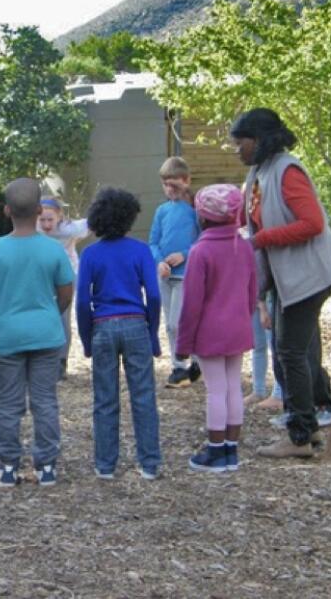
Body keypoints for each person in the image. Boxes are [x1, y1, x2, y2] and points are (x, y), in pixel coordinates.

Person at [232, 108, 331, 459]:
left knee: (289, 351)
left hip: (310, 275)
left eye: (242, 143)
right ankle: (308, 425)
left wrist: (263, 239)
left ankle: (299, 436)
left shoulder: (287, 170)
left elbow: (312, 223)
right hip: (290, 277)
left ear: (261, 140)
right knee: (293, 350)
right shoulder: (260, 170)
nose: (238, 150)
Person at [0, 178, 74, 487]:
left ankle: (7, 465)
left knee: (8, 403)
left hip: (7, 334)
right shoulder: (53, 250)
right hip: (46, 333)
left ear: (6, 210)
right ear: (38, 210)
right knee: (45, 401)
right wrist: (47, 314)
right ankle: (46, 466)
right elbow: (66, 294)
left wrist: (2, 317)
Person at [76, 188, 162, 480]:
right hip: (136, 324)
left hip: (102, 326)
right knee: (143, 396)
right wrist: (152, 333)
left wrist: (87, 340)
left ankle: (105, 465)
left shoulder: (90, 254)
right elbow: (153, 294)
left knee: (104, 398)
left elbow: (81, 302)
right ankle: (149, 463)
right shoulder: (140, 250)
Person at [176, 184, 257, 472]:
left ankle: (215, 450)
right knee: (233, 385)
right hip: (238, 327)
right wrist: (245, 320)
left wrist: (183, 345)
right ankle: (231, 450)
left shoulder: (201, 251)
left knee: (215, 390)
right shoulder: (244, 246)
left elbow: (191, 304)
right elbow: (252, 292)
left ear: (202, 215)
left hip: (210, 332)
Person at [149, 157, 202, 388]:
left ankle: (191, 362)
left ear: (186, 181)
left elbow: (203, 240)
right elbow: (153, 241)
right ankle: (179, 367)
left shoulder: (195, 210)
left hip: (186, 275)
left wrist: (184, 254)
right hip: (165, 276)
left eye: (174, 185)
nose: (169, 190)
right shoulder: (161, 211)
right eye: (165, 185)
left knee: (178, 322)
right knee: (170, 324)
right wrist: (159, 260)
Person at [38, 197, 88, 379]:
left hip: (67, 275)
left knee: (62, 317)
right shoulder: (35, 228)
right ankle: (44, 359)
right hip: (44, 275)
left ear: (59, 216)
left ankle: (61, 361)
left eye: (50, 219)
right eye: (42, 219)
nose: (46, 224)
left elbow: (90, 223)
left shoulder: (70, 229)